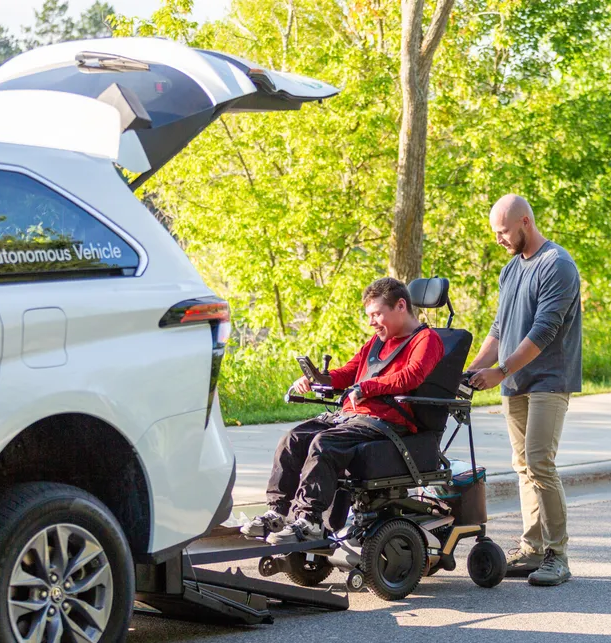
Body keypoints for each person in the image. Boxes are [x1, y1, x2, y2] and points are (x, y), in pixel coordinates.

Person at [241, 277, 445, 544]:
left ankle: (310, 520)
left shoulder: (427, 339)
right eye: (369, 315)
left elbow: (412, 376)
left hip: (384, 422)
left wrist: (367, 388)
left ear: (401, 306)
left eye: (377, 314)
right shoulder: (377, 341)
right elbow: (349, 372)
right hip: (351, 417)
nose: (371, 322)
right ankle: (277, 512)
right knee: (293, 439)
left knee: (324, 443)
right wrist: (317, 380)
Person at [467, 194, 582, 587]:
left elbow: (543, 332)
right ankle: (532, 549)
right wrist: (472, 369)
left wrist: (500, 371)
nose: (499, 239)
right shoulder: (510, 270)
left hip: (549, 379)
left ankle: (558, 555)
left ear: (525, 223)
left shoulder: (558, 265)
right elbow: (498, 330)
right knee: (523, 468)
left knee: (540, 463)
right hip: (514, 382)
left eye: (502, 231)